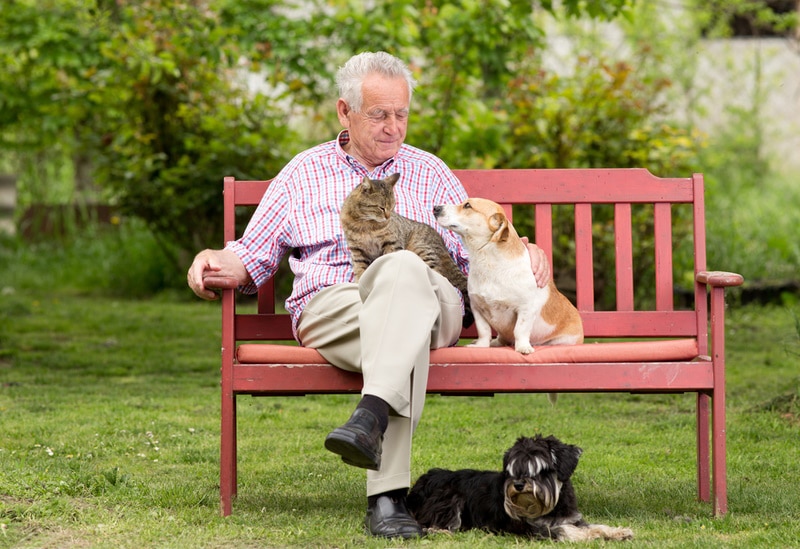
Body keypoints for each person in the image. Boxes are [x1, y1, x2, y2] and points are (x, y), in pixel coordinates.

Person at [187, 51, 549, 539]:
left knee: (400, 266)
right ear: (345, 111)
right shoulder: (303, 172)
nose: (393, 127)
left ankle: (370, 417)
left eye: (401, 114)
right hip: (337, 308)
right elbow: (252, 255)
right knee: (403, 331)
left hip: (435, 301)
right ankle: (386, 497)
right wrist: (214, 258)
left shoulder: (431, 171)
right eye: (380, 114)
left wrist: (523, 249)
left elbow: (476, 256)